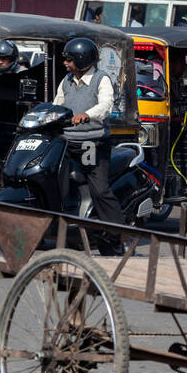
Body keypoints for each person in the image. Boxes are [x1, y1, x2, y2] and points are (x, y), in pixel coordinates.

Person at [53, 37, 124, 253]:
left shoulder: (101, 79)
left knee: (99, 189)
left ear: (82, 60)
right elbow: (57, 104)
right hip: (67, 143)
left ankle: (115, 234)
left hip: (90, 144)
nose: (65, 64)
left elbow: (105, 106)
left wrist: (87, 115)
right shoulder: (66, 81)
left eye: (69, 60)